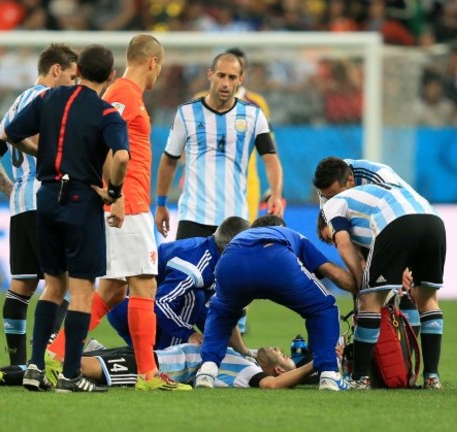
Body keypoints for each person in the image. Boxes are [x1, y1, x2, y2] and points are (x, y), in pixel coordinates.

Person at [47, 34, 191, 391]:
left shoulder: (128, 96)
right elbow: (107, 145)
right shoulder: (124, 95)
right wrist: (117, 195)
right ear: (153, 63)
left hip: (128, 201)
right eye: (160, 67)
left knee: (113, 288)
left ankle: (57, 352)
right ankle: (147, 375)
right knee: (145, 283)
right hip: (131, 203)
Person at [3, 44, 130, 393]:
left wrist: (42, 153)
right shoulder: (107, 114)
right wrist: (114, 192)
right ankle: (71, 375)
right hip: (81, 201)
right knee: (82, 290)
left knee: (53, 286)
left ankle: (33, 367)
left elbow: (11, 132)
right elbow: (120, 157)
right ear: (111, 76)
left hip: (46, 198)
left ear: (78, 71)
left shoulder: (49, 99)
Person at [0, 43, 78, 367]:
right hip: (46, 199)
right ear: (56, 70)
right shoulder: (46, 100)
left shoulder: (17, 102)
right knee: (64, 285)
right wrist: (52, 158)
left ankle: (18, 364)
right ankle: (43, 355)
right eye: (73, 77)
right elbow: (20, 140)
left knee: (22, 285)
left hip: (22, 203)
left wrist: (13, 192)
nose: (75, 85)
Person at [194, 214, 357, 391]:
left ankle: (207, 371)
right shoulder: (292, 234)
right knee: (324, 308)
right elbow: (334, 273)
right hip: (276, 260)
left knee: (221, 313)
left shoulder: (244, 235)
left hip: (231, 260)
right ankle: (328, 374)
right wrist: (363, 289)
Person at [319, 183, 446, 390]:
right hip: (434, 221)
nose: (331, 241)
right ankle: (432, 377)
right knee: (428, 300)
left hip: (396, 223)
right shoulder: (368, 201)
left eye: (327, 237)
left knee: (369, 301)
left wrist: (362, 284)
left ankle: (360, 378)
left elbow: (342, 242)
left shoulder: (330, 206)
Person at [155, 51, 284, 241]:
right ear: (210, 74)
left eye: (232, 77)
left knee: (232, 272)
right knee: (185, 271)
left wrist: (276, 194)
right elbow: (169, 160)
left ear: (241, 79)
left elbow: (271, 159)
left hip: (235, 219)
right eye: (221, 75)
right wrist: (161, 203)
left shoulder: (254, 115)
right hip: (192, 216)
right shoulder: (187, 113)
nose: (225, 83)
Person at [105, 216, 251, 351]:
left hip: (133, 305)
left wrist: (240, 352)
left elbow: (209, 313)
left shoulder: (210, 256)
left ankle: (97, 355)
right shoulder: (194, 268)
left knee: (143, 359)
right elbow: (162, 303)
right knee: (195, 296)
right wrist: (189, 334)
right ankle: (168, 367)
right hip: (129, 306)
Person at [312, 156, 421, 334]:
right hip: (369, 230)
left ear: (350, 180)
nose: (331, 200)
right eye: (327, 197)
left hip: (408, 225)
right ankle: (367, 341)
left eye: (335, 196)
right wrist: (361, 268)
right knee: (362, 278)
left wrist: (398, 264)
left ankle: (405, 352)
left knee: (406, 285)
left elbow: (399, 218)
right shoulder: (328, 190)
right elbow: (341, 232)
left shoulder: (381, 177)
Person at [0, 341, 320, 390]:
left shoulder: (253, 374)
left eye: (285, 358)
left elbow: (272, 388)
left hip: (150, 368)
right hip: (146, 353)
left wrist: (309, 367)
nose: (279, 349)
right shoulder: (246, 353)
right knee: (73, 360)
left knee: (77, 366)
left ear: (277, 371)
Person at [192, 47, 275, 222]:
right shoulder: (200, 101)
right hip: (207, 185)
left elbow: (269, 150)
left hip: (245, 184)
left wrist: (273, 188)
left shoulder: (256, 104)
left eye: (236, 70)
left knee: (242, 238)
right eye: (224, 73)